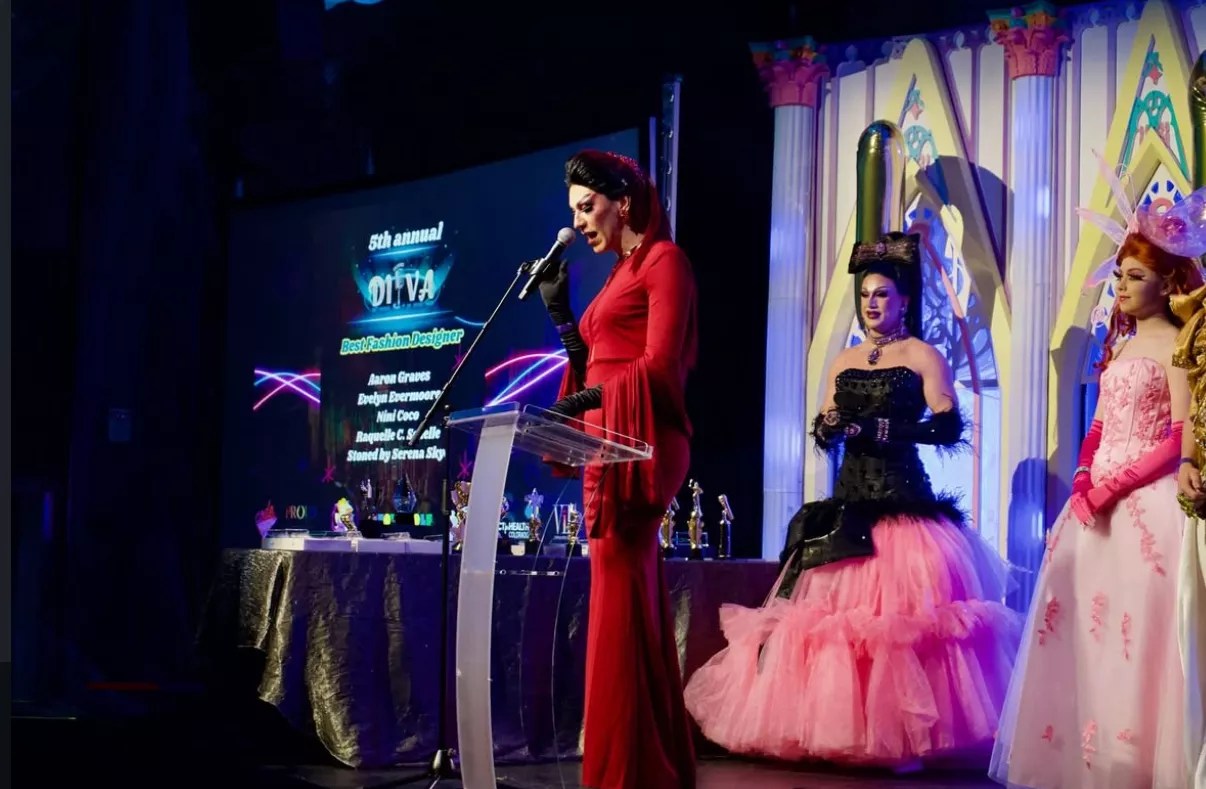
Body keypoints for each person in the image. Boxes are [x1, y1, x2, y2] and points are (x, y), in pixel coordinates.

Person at [682, 232, 1021, 771]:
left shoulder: (922, 356)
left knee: (899, 625)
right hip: (848, 506)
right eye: (866, 295)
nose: (872, 304)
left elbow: (949, 425)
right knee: (830, 625)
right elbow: (823, 427)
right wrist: (831, 426)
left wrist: (883, 426)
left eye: (882, 294)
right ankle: (839, 729)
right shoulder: (844, 361)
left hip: (904, 503)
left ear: (904, 300)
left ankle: (905, 736)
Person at [989, 188, 1205, 787]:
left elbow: (1177, 437)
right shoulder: (1123, 345)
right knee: (1082, 636)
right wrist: (1084, 477)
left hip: (1144, 507)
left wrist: (1114, 488)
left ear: (1165, 283)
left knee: (1133, 642)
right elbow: (1101, 424)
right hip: (1092, 510)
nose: (1123, 286)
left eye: (1135, 276)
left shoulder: (1178, 346)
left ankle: (1131, 764)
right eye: (1118, 276)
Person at [535, 149, 698, 789]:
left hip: (642, 441)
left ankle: (624, 772)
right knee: (620, 596)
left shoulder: (665, 263)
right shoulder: (617, 274)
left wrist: (581, 401)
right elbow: (597, 359)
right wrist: (561, 317)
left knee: (620, 593)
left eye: (585, 206)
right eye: (572, 210)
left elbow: (657, 368)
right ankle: (634, 765)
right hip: (608, 439)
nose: (578, 223)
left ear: (621, 201)